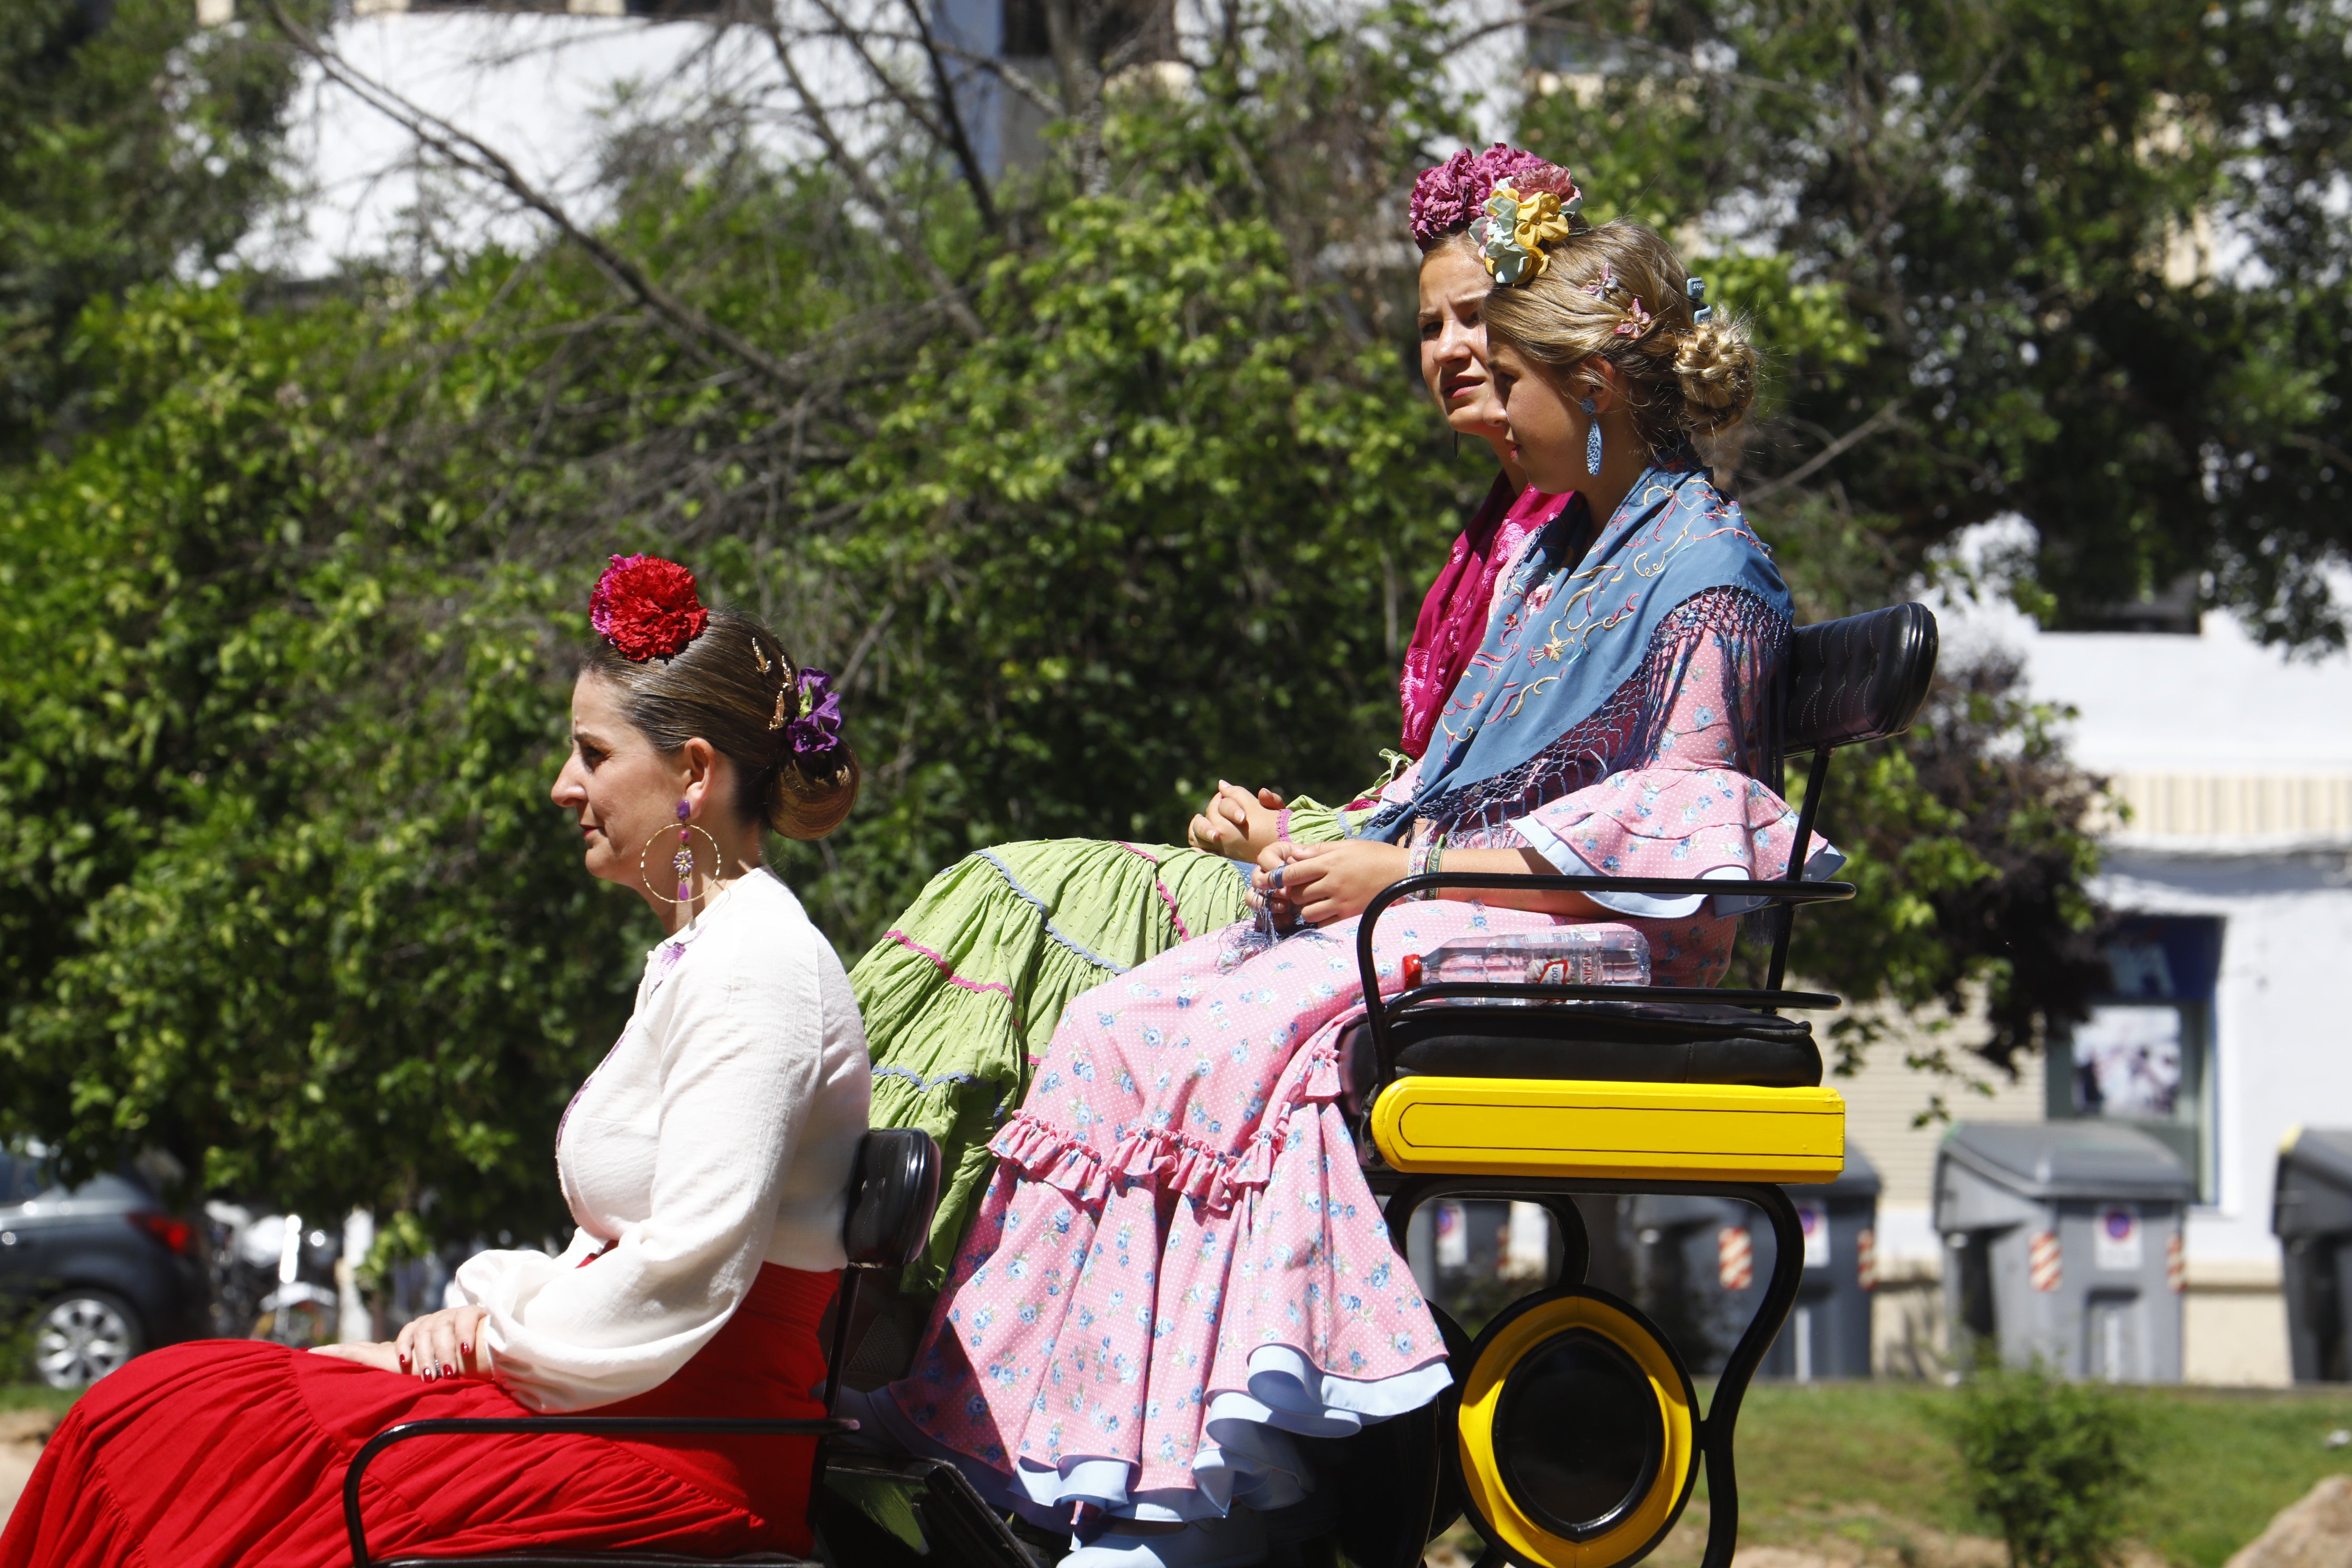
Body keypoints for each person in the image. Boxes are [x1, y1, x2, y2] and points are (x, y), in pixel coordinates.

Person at [853, 170, 1840, 1568]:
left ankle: (1214, 1486)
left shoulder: (1709, 578)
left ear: (1597, 382)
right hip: (1474, 904)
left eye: (1507, 370)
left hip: (1608, 943)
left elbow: (1676, 846)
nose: (1482, 399)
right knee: (1121, 1022)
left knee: (1253, 1033)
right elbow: (1452, 789)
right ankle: (1085, 1454)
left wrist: (1410, 877)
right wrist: (1355, 854)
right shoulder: (1562, 558)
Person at [0, 556, 871, 1567]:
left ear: (692, 772)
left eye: (592, 753)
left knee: (186, 1440)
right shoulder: (707, 951)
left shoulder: (760, 962)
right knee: (154, 1404)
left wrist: (484, 1341)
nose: (564, 786)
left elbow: (686, 1271)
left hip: (673, 1459)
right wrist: (461, 1337)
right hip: (613, 1415)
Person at [856, 143, 1577, 1296]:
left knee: (1015, 901)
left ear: (1555, 320)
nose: (1446, 352)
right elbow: (1448, 779)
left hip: (1465, 905)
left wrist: (1309, 853)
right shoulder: (1504, 524)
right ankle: (900, 1280)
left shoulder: (1588, 536)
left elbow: (1546, 801)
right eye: (1428, 327)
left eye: (1475, 318)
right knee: (1008, 894)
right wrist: (1297, 830)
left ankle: (870, 1292)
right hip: (1396, 858)